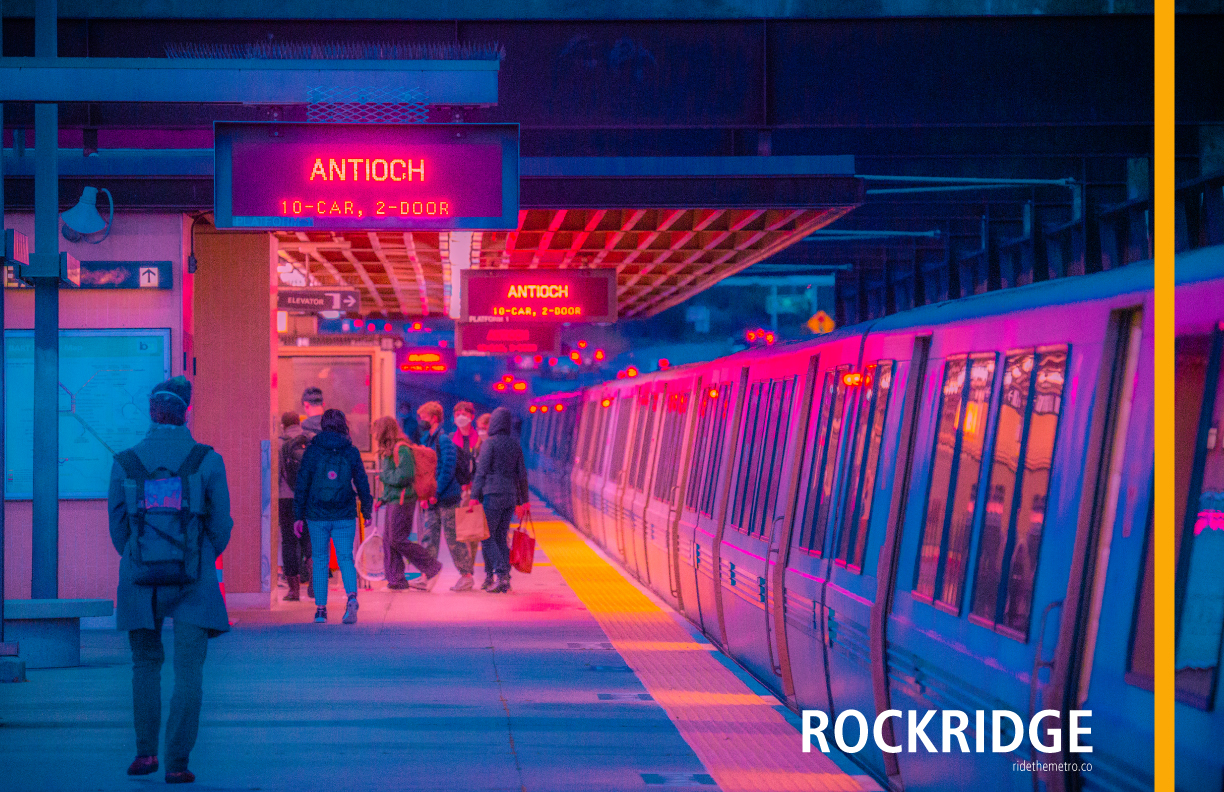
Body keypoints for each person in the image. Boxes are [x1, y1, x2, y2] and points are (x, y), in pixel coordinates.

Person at [108, 376, 233, 785]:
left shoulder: (125, 461)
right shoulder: (207, 460)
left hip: (140, 582)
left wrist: (142, 558)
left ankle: (145, 755)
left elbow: (117, 532)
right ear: (186, 412)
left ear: (151, 412)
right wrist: (198, 556)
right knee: (189, 672)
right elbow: (222, 525)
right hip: (194, 581)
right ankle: (177, 762)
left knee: (144, 665)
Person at [293, 408, 372, 624]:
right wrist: (367, 509)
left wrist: (297, 515)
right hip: (344, 513)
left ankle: (320, 610)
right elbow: (362, 481)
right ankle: (352, 598)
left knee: (320, 559)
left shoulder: (313, 450)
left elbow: (302, 484)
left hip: (316, 514)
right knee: (345, 557)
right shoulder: (350, 451)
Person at [372, 416, 442, 591]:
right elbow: (392, 477)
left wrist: (383, 477)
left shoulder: (401, 449)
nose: (374, 435)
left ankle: (432, 567)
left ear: (383, 431)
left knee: (397, 539)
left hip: (404, 500)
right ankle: (396, 580)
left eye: (376, 431)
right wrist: (383, 498)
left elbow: (405, 475)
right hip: (394, 499)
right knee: (389, 540)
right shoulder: (389, 450)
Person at [417, 401, 476, 591]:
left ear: (434, 418)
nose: (421, 420)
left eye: (424, 417)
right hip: (433, 498)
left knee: (453, 538)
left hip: (447, 498)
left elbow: (447, 469)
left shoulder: (444, 440)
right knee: (429, 537)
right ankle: (427, 574)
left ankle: (466, 575)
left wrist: (436, 492)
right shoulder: (427, 438)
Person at [470, 407, 530, 593]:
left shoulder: (490, 444)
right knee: (501, 538)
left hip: (493, 495)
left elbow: (482, 471)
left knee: (486, 536)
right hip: (510, 497)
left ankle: (502, 574)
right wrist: (524, 500)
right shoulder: (515, 445)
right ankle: (505, 578)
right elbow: (522, 475)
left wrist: (473, 496)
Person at [277, 411, 312, 601]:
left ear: (283, 424)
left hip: (286, 498)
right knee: (310, 538)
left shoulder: (280, 442)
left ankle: (294, 590)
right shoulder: (310, 440)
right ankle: (315, 580)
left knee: (289, 541)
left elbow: (276, 474)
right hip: (309, 497)